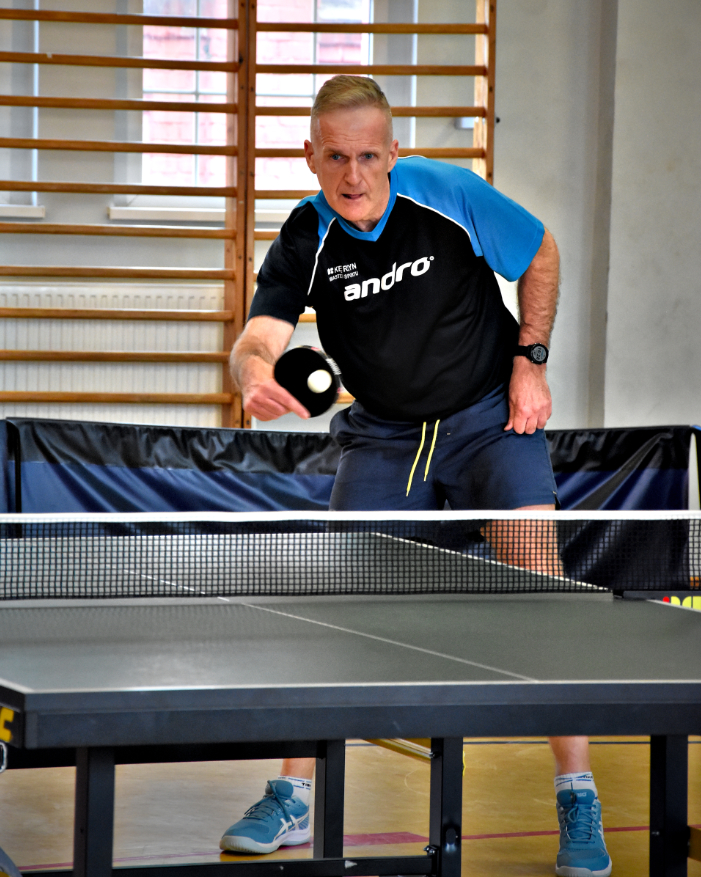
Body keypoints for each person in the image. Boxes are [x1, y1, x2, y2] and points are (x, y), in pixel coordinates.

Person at [221, 76, 611, 877]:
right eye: (336, 157)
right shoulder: (306, 234)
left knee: (543, 592)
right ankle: (292, 794)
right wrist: (251, 376)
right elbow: (256, 338)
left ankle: (576, 791)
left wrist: (531, 360)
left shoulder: (446, 193)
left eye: (368, 155)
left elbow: (539, 250)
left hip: (488, 421)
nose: (353, 174)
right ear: (310, 155)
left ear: (393, 152)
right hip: (385, 436)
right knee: (336, 608)